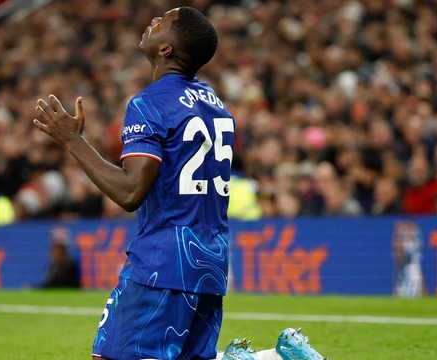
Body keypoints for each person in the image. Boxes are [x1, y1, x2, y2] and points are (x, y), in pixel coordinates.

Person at [33, 6, 325, 360]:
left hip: (164, 259)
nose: (151, 21)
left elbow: (130, 192)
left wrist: (73, 142)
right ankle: (278, 356)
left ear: (166, 49)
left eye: (162, 22)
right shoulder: (217, 105)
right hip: (211, 259)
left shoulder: (149, 103)